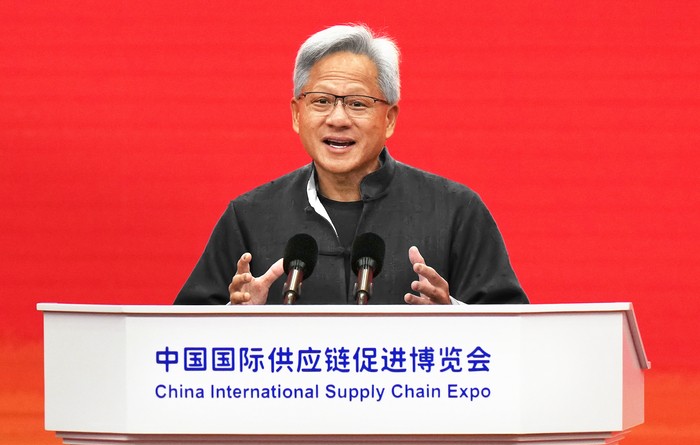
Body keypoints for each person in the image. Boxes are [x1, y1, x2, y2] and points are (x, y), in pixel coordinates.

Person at [174, 24, 528, 306]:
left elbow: (516, 337)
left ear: (389, 119)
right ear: (297, 114)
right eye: (321, 101)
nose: (338, 119)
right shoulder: (250, 216)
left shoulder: (455, 211)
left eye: (357, 103)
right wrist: (234, 317)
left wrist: (454, 315)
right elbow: (181, 339)